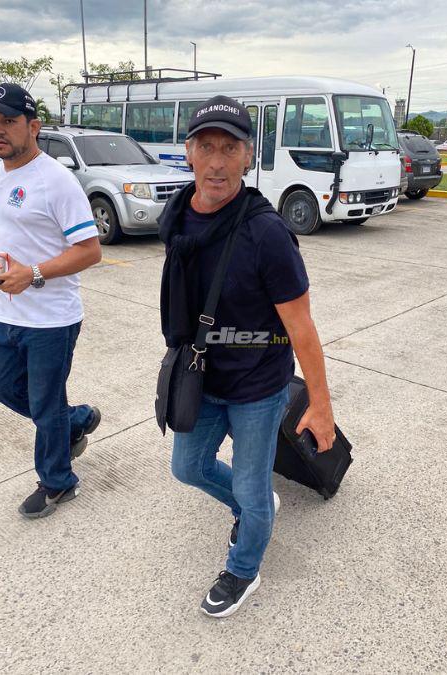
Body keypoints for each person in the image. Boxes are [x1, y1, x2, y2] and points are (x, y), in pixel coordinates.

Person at [159, 95, 337, 618]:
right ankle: (251, 509)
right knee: (187, 468)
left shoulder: (267, 233)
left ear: (248, 155)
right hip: (201, 374)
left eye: (229, 147)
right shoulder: (177, 217)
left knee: (252, 484)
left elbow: (300, 326)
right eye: (206, 146)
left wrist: (320, 403)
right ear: (188, 153)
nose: (217, 161)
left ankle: (244, 566)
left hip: (258, 384)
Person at [0, 83, 103, 519]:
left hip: (52, 319)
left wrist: (34, 273)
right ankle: (75, 420)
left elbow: (89, 250)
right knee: (4, 389)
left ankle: (59, 482)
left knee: (44, 404)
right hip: (7, 315)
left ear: (33, 126)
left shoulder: (55, 181)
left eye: (8, 120)